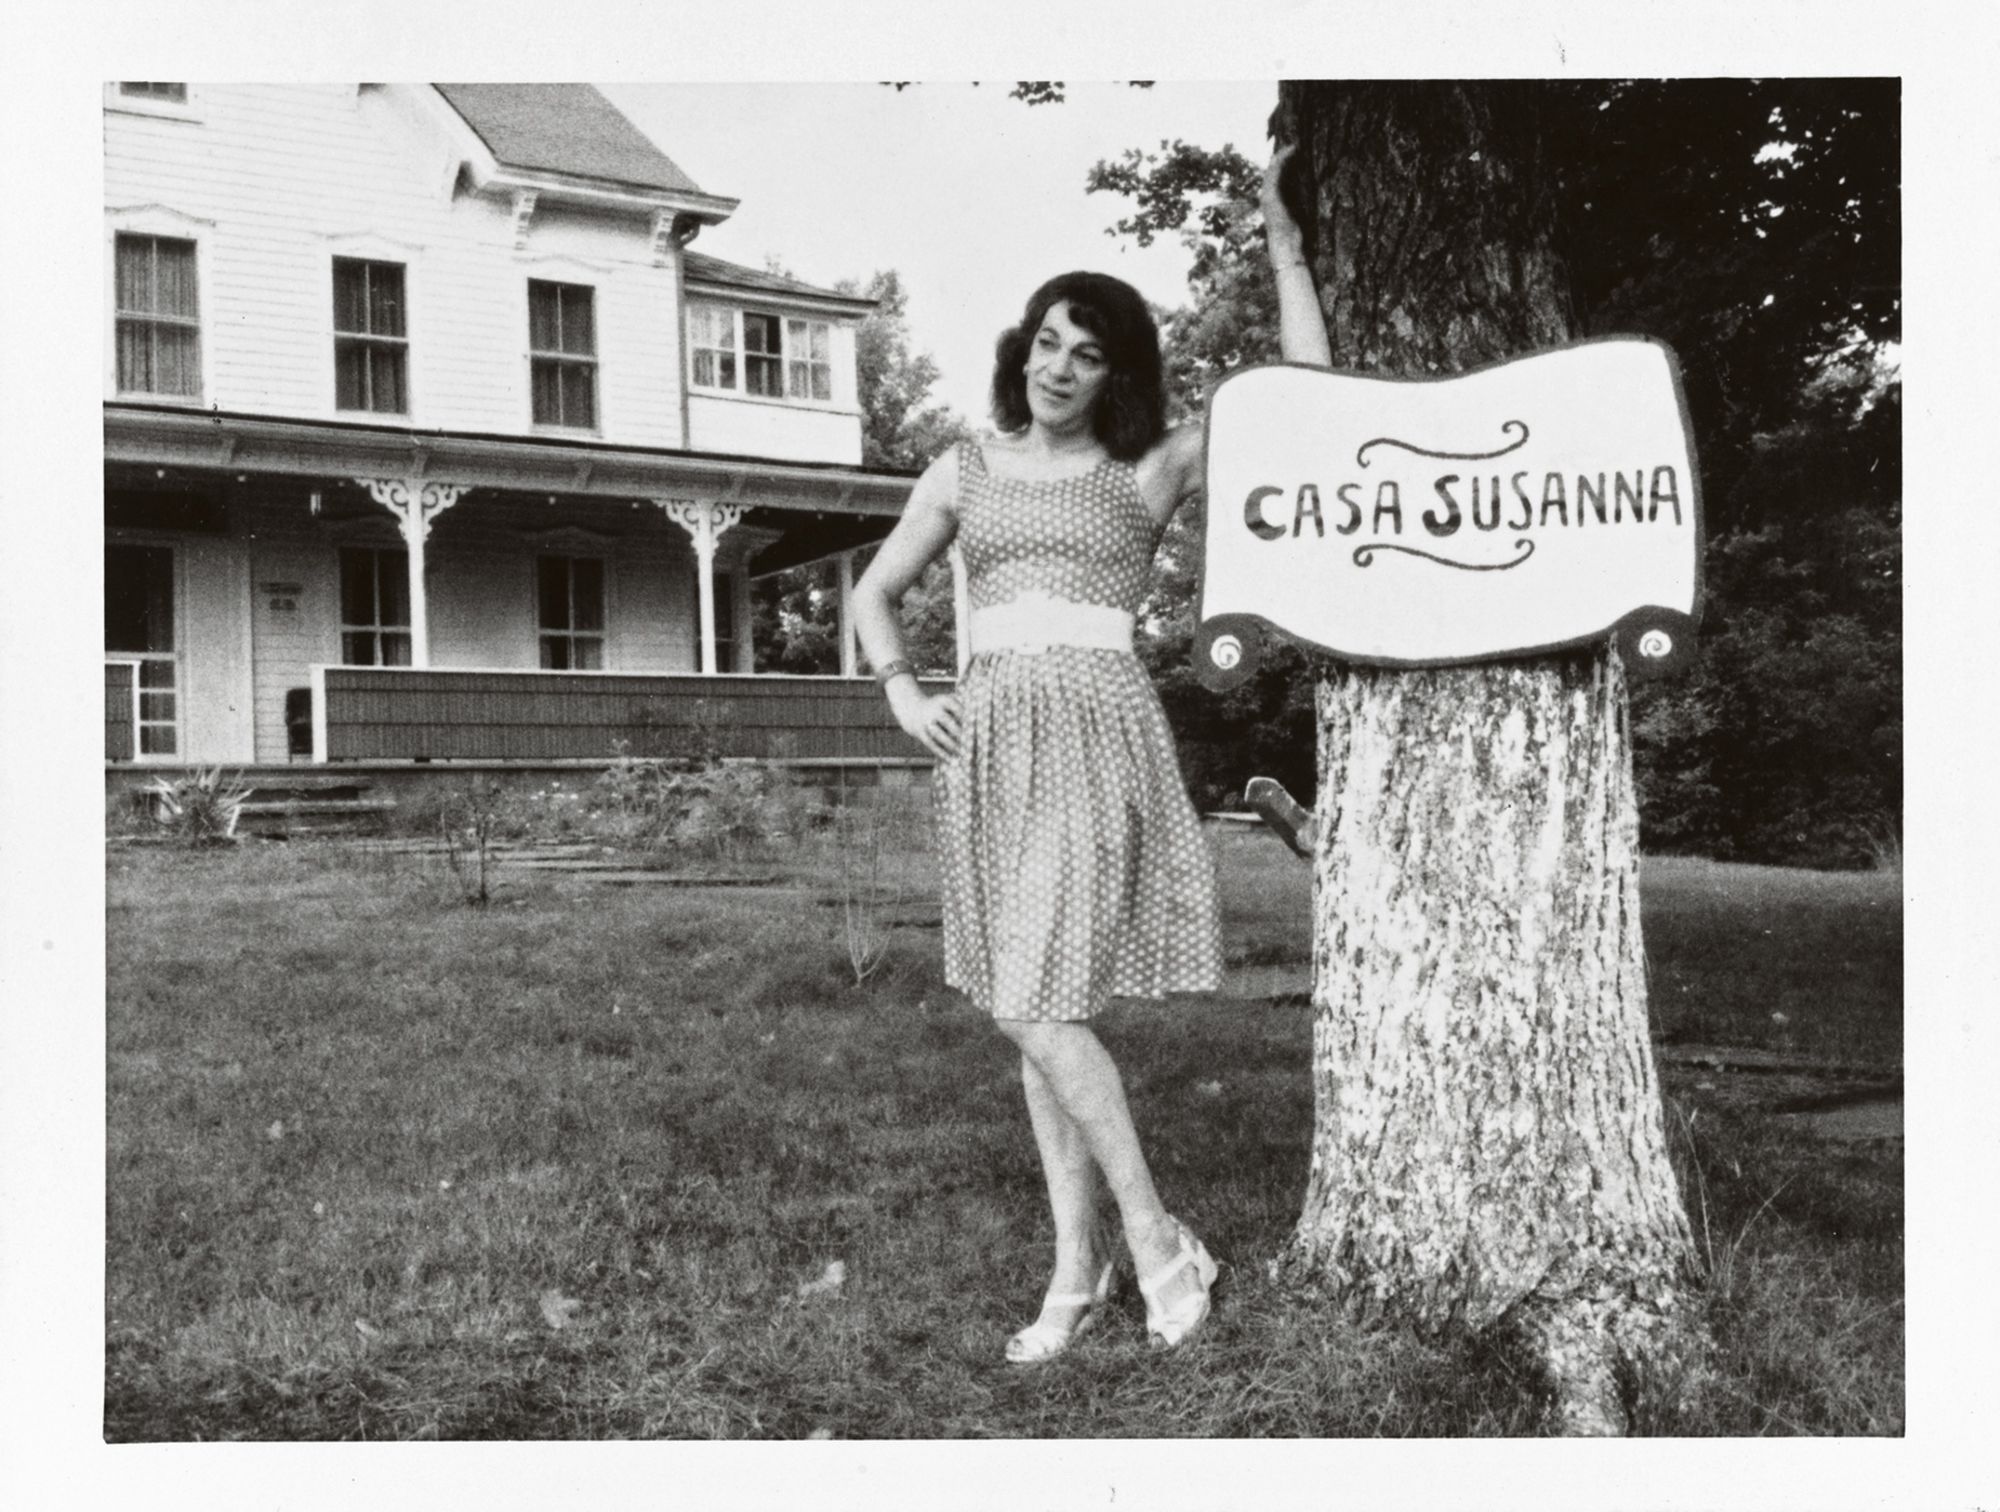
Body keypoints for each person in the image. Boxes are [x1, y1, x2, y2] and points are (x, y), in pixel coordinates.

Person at [850, 146, 1321, 1362]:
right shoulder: (965, 464)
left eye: (1088, 351)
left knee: (1036, 1003)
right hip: (988, 738)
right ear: (1022, 349)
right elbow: (875, 593)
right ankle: (1077, 1270)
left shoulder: (1147, 468)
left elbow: (1306, 393)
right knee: (1030, 1009)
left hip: (1096, 728)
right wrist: (904, 691)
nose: (1059, 366)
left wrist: (1284, 249)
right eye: (1047, 341)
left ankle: (1156, 1240)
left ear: (1117, 372)